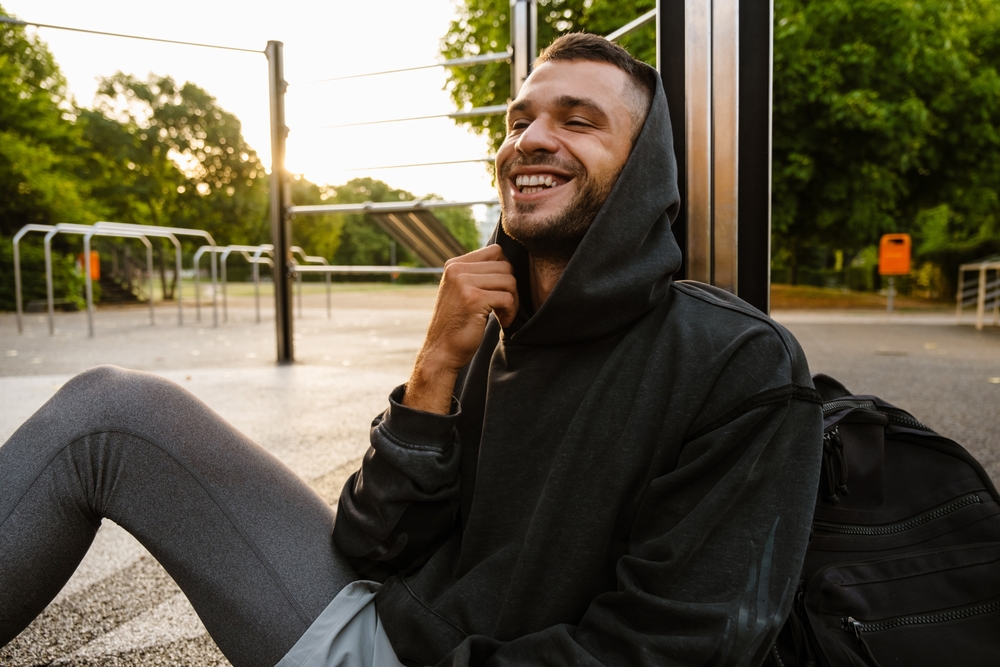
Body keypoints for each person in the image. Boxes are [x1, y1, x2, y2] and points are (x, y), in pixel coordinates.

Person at [0, 33, 822, 667]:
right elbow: (369, 544)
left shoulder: (736, 363)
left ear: (644, 170)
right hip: (399, 622)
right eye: (521, 119)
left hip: (419, 653)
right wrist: (433, 371)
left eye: (579, 120)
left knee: (110, 415)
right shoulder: (491, 326)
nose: (532, 138)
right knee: (112, 409)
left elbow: (675, 649)